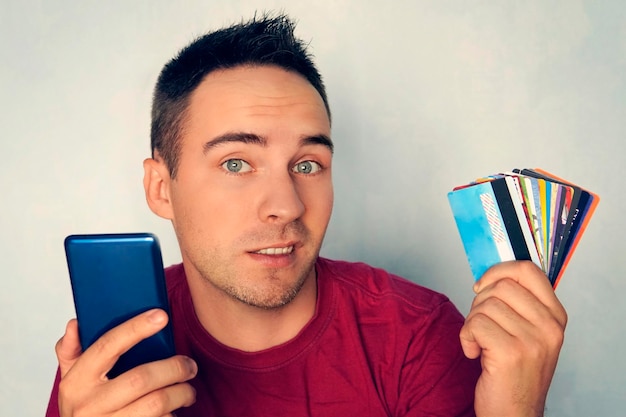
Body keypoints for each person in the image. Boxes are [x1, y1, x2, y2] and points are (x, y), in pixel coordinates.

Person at [46, 13, 567, 417]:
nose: (288, 205)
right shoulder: (114, 358)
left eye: (307, 164)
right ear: (162, 188)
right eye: (236, 162)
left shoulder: (420, 335)